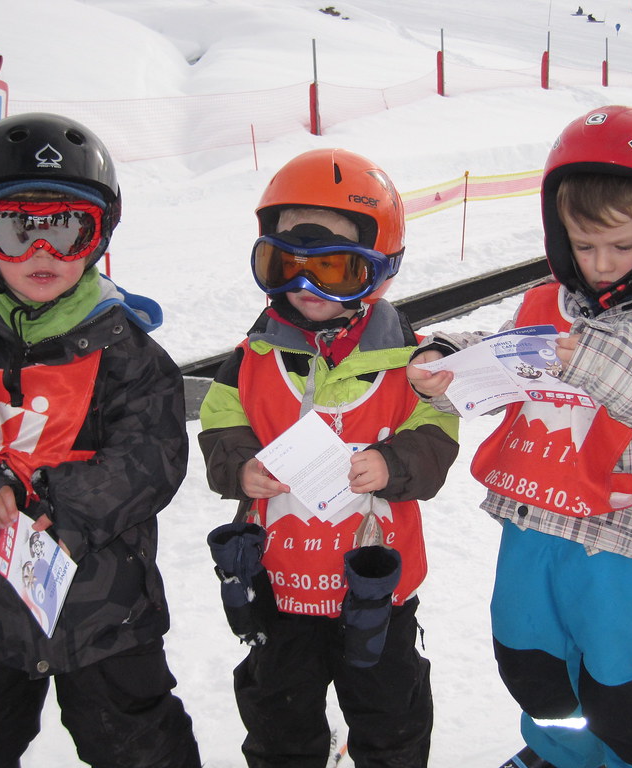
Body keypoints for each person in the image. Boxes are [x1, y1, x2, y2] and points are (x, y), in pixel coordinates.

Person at [407, 106, 632, 768]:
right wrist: (447, 362)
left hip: (623, 540)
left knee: (619, 683)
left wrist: (593, 357)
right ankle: (561, 755)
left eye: (621, 247)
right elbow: (509, 357)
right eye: (583, 245)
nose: (599, 265)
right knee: (531, 664)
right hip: (534, 526)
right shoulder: (549, 303)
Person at [0, 113, 201, 768]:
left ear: (97, 234)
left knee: (142, 749)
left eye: (66, 229)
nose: (41, 253)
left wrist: (69, 499)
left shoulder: (124, 347)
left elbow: (154, 452)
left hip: (108, 615)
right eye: (15, 229)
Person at [198, 148, 459, 768]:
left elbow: (438, 432)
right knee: (278, 711)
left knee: (388, 707)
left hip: (374, 588)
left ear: (380, 271)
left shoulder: (410, 361)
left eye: (334, 270)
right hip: (279, 582)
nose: (305, 287)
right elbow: (219, 419)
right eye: (284, 265)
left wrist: (394, 464)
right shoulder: (255, 354)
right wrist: (240, 467)